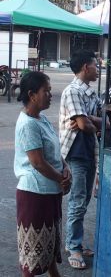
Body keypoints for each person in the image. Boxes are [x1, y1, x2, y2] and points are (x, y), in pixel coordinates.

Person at [14, 71, 72, 277]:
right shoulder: (28, 124)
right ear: (32, 95)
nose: (50, 95)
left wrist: (65, 168)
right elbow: (38, 162)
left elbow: (54, 151)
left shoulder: (42, 119)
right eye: (45, 91)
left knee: (49, 244)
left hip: (50, 192)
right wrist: (61, 179)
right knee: (33, 253)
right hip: (35, 195)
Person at [59, 49, 102, 269]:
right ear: (86, 67)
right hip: (75, 153)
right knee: (77, 202)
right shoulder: (72, 91)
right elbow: (84, 125)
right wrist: (89, 122)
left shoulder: (91, 94)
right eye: (95, 65)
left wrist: (89, 120)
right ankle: (73, 246)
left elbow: (100, 122)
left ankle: (74, 241)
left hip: (88, 150)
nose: (98, 68)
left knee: (84, 201)